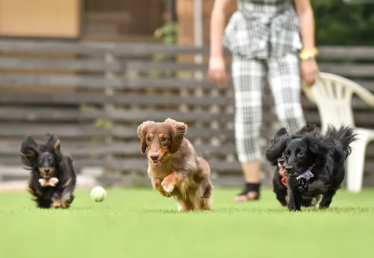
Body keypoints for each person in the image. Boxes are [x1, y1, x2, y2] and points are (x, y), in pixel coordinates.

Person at [208, 0, 320, 201]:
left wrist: (308, 55)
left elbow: (304, 10)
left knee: (290, 111)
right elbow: (219, 9)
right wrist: (216, 55)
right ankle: (251, 186)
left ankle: (307, 181)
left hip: (284, 41)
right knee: (248, 114)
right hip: (246, 41)